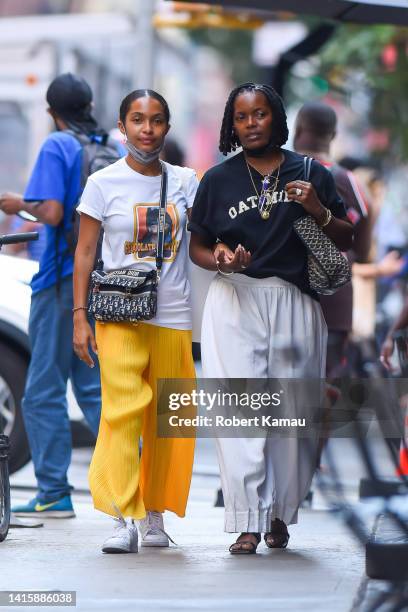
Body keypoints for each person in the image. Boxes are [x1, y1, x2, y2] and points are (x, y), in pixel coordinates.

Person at [189, 82, 353, 554]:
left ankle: (280, 514)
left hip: (294, 300)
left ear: (278, 119)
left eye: (260, 114)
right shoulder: (218, 180)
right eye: (241, 117)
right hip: (235, 298)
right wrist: (220, 256)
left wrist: (317, 208)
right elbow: (199, 245)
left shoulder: (312, 173)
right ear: (231, 125)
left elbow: (346, 238)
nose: (251, 123)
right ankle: (247, 519)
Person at [73, 89, 198, 554]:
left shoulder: (187, 181)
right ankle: (121, 514)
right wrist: (79, 316)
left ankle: (155, 513)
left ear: (167, 127)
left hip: (174, 314)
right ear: (122, 127)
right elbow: (85, 252)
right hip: (117, 314)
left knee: (170, 418)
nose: (148, 129)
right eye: (138, 120)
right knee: (122, 411)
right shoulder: (103, 183)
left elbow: (205, 239)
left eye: (157, 120)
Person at [0, 73, 109, 518]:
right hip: (101, 281)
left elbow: (52, 211)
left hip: (61, 280)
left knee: (42, 389)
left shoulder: (57, 145)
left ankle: (53, 492)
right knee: (93, 387)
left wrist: (16, 203)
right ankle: (131, 477)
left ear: (51, 112)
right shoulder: (110, 147)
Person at [294, 101, 371, 377]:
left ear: (298, 129)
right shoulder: (351, 183)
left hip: (284, 301)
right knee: (327, 392)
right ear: (334, 135)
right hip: (335, 305)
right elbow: (361, 250)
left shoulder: (279, 174)